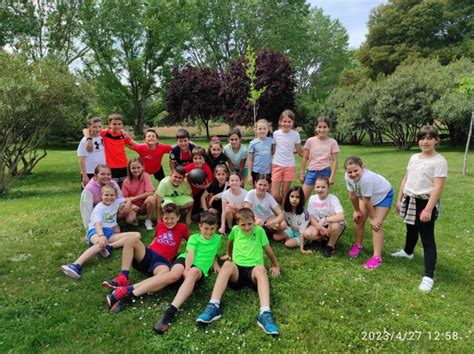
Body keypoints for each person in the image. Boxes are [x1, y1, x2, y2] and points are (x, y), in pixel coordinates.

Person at [196, 208, 280, 336]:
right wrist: (228, 254)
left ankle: (265, 313)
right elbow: (230, 242)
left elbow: (268, 249)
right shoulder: (235, 230)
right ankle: (213, 305)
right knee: (228, 264)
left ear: (254, 221)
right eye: (243, 225)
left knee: (261, 269)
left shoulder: (259, 231)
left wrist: (276, 265)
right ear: (237, 224)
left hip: (253, 272)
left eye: (250, 224)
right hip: (237, 272)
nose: (247, 228)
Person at [104, 203, 189, 313]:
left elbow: (191, 243)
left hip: (162, 262)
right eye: (166, 218)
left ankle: (126, 291)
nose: (169, 221)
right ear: (162, 217)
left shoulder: (182, 228)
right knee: (131, 239)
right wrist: (145, 250)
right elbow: (156, 239)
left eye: (172, 218)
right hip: (149, 254)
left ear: (178, 218)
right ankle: (123, 277)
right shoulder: (160, 225)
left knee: (165, 272)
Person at [391, 126, 447, 292]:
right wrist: (400, 199)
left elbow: (438, 187)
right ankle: (408, 252)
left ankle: (428, 277)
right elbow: (406, 178)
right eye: (422, 138)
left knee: (427, 239)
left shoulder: (439, 161)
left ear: (436, 140)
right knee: (410, 227)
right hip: (410, 199)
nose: (425, 141)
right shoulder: (414, 157)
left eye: (430, 138)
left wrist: (428, 210)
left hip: (425, 203)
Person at [154, 212, 222, 334]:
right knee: (174, 274)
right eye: (206, 228)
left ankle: (170, 312)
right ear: (200, 226)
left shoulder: (218, 239)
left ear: (216, 227)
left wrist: (215, 263)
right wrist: (187, 267)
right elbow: (190, 253)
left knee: (193, 273)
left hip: (199, 268)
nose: (209, 232)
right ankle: (131, 291)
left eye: (212, 229)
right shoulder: (194, 238)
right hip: (186, 260)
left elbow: (214, 253)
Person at [61, 184, 140, 279]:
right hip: (96, 231)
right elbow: (97, 224)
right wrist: (101, 235)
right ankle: (75, 265)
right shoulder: (99, 208)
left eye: (112, 195)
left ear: (115, 196)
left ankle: (110, 246)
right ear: (101, 196)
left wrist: (128, 205)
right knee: (100, 244)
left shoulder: (116, 202)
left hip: (109, 232)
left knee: (136, 235)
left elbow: (128, 199)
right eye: (106, 195)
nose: (109, 197)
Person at [344, 156, 393, 269]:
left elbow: (367, 201)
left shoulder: (366, 179)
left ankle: (377, 257)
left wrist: (373, 217)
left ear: (363, 167)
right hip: (367, 198)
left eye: (356, 170)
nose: (353, 174)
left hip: (383, 196)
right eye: (349, 171)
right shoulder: (347, 177)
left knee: (376, 225)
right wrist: (357, 211)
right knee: (359, 219)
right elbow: (352, 195)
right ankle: (357, 245)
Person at [302, 177, 346, 257]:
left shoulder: (333, 199)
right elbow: (311, 216)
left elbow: (341, 216)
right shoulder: (312, 198)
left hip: (332, 224)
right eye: (317, 187)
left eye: (323, 187)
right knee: (307, 234)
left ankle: (330, 246)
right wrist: (319, 227)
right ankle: (324, 238)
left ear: (328, 188)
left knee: (335, 226)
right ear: (314, 187)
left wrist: (325, 219)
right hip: (320, 225)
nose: (320, 189)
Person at [299, 117, 340, 201]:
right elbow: (304, 158)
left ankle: (324, 214)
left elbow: (335, 161)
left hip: (325, 172)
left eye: (324, 127)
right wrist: (302, 174)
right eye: (319, 127)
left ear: (328, 128)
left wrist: (332, 176)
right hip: (311, 172)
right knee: (302, 198)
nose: (322, 129)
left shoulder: (332, 142)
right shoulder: (310, 141)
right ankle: (300, 214)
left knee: (324, 199)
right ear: (316, 128)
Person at [80, 164, 127, 230]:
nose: (106, 177)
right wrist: (89, 229)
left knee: (128, 209)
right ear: (96, 176)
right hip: (98, 217)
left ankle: (117, 223)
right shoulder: (89, 190)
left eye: (108, 174)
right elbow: (86, 211)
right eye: (102, 174)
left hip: (110, 212)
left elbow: (120, 197)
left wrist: (122, 207)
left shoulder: (113, 183)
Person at [271, 109, 303, 203]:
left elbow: (299, 150)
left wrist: (310, 156)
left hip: (289, 166)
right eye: (284, 121)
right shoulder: (276, 134)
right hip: (277, 165)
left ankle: (285, 211)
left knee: (285, 193)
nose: (287, 124)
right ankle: (283, 203)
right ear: (280, 122)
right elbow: (274, 149)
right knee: (275, 195)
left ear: (293, 123)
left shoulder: (295, 134)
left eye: (289, 121)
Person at [243, 174, 286, 238]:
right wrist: (255, 220)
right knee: (256, 225)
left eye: (265, 185)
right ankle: (267, 233)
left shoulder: (269, 197)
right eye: (260, 184)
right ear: (255, 184)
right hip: (254, 218)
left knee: (283, 225)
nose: (262, 187)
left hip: (268, 218)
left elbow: (281, 214)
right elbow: (246, 211)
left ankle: (271, 232)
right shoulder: (251, 193)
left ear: (268, 186)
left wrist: (274, 222)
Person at [121, 157, 156, 230]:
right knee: (129, 220)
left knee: (152, 198)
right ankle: (135, 218)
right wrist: (132, 205)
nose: (136, 170)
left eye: (138, 167)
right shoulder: (126, 182)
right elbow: (124, 199)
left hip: (144, 205)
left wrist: (134, 198)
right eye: (133, 168)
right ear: (129, 169)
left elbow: (150, 192)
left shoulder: (145, 175)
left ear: (142, 167)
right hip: (133, 207)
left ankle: (148, 220)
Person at [273, 186, 311, 250]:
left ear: (301, 199)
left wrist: (302, 249)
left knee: (288, 244)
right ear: (288, 197)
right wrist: (275, 224)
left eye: (297, 197)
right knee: (275, 237)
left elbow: (302, 232)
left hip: (301, 234)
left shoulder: (304, 214)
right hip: (292, 230)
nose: (294, 199)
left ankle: (305, 241)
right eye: (292, 196)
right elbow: (281, 218)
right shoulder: (287, 209)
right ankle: (291, 238)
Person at [77, 116, 105, 189]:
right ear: (89, 127)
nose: (98, 129)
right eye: (94, 127)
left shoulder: (103, 137)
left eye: (99, 126)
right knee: (88, 195)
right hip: (89, 172)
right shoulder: (84, 141)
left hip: (102, 172)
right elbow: (81, 160)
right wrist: (84, 176)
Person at [247, 119, 272, 186]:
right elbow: (249, 160)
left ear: (268, 129)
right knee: (256, 190)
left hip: (268, 171)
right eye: (260, 129)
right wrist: (249, 175)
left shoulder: (271, 141)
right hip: (256, 171)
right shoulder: (253, 143)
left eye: (264, 128)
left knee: (267, 191)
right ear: (256, 130)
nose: (262, 131)